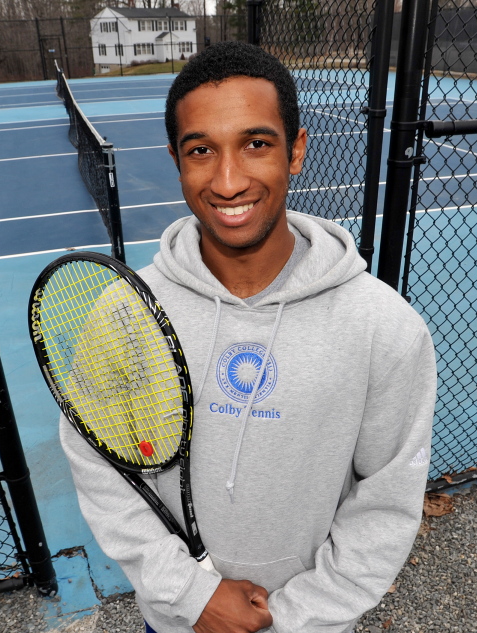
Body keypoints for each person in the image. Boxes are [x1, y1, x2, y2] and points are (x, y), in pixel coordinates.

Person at [59, 42, 437, 633]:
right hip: (179, 620)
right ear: (176, 161)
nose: (229, 181)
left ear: (296, 151)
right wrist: (191, 596)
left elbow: (385, 500)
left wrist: (292, 618)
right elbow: (99, 467)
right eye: (201, 150)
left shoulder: (384, 325)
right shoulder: (124, 315)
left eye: (256, 144)